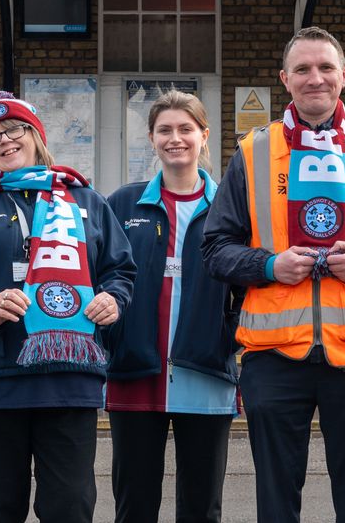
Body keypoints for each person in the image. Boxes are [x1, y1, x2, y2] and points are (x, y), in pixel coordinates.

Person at [202, 26, 345, 523]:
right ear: (285, 79)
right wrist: (267, 265)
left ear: (344, 75)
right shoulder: (253, 152)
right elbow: (214, 249)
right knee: (276, 502)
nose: (315, 78)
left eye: (325, 67)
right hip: (274, 355)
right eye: (302, 69)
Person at [0, 91, 136, 523]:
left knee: (70, 507)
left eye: (14, 130)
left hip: (69, 380)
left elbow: (121, 270)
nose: (4, 141)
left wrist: (112, 298)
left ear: (36, 135)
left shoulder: (86, 203)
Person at [104, 92, 240, 523]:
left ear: (203, 135)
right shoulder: (122, 204)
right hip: (134, 374)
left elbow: (248, 282)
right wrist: (113, 336)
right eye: (165, 130)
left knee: (201, 507)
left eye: (185, 129)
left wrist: (227, 336)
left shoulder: (231, 207)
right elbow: (101, 276)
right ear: (151, 137)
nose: (175, 138)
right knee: (134, 503)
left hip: (206, 374)